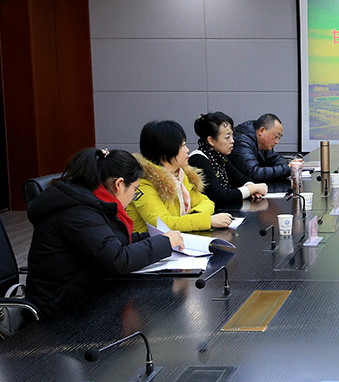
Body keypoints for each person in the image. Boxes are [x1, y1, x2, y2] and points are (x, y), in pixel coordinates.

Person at [25, 148, 184, 316]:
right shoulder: (78, 212)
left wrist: (155, 237)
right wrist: (165, 242)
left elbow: (113, 241)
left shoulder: (90, 200)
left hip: (88, 295)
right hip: (60, 311)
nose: (133, 195)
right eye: (135, 189)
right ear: (119, 184)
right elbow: (117, 259)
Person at [126, 120, 232, 232]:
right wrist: (208, 221)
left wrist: (195, 215)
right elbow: (163, 224)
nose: (187, 150)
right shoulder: (143, 184)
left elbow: (206, 202)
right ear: (166, 150)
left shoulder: (179, 175)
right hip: (149, 241)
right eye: (183, 146)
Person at [189, 112, 268, 205]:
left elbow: (241, 179)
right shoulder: (198, 160)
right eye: (227, 137)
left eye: (232, 135)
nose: (232, 141)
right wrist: (251, 189)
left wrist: (251, 188)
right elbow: (219, 197)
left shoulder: (219, 156)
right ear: (211, 140)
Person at [229, 113, 302, 182]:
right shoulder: (242, 142)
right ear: (261, 131)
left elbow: (275, 158)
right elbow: (254, 173)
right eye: (275, 136)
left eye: (279, 138)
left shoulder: (263, 144)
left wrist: (291, 164)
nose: (277, 142)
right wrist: (287, 168)